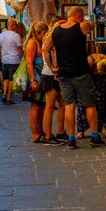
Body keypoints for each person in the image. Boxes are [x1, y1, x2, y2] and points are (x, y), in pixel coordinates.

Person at [43, 6, 104, 150]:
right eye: (81, 17)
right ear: (78, 17)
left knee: (69, 105)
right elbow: (93, 24)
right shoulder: (81, 27)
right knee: (89, 104)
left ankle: (71, 139)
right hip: (81, 72)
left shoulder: (56, 31)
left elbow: (45, 49)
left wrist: (52, 67)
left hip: (63, 74)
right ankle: (95, 136)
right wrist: (84, 21)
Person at [41, 16, 68, 146]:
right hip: (50, 75)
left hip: (55, 74)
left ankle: (60, 132)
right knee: (50, 106)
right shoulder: (53, 40)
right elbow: (53, 55)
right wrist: (54, 68)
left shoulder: (50, 38)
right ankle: (48, 135)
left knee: (62, 104)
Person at [24, 22, 49, 143]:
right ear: (38, 33)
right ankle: (35, 133)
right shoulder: (32, 43)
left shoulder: (40, 43)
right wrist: (33, 80)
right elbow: (29, 63)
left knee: (41, 106)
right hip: (36, 77)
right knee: (35, 106)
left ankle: (41, 130)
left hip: (42, 76)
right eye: (44, 33)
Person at [0, 19, 24, 105]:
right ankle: (9, 98)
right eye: (16, 25)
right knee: (11, 79)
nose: (16, 26)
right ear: (12, 25)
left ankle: (4, 94)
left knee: (5, 79)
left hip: (4, 60)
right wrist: (24, 56)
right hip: (14, 60)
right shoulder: (16, 36)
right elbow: (19, 49)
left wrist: (2, 57)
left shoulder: (1, 35)